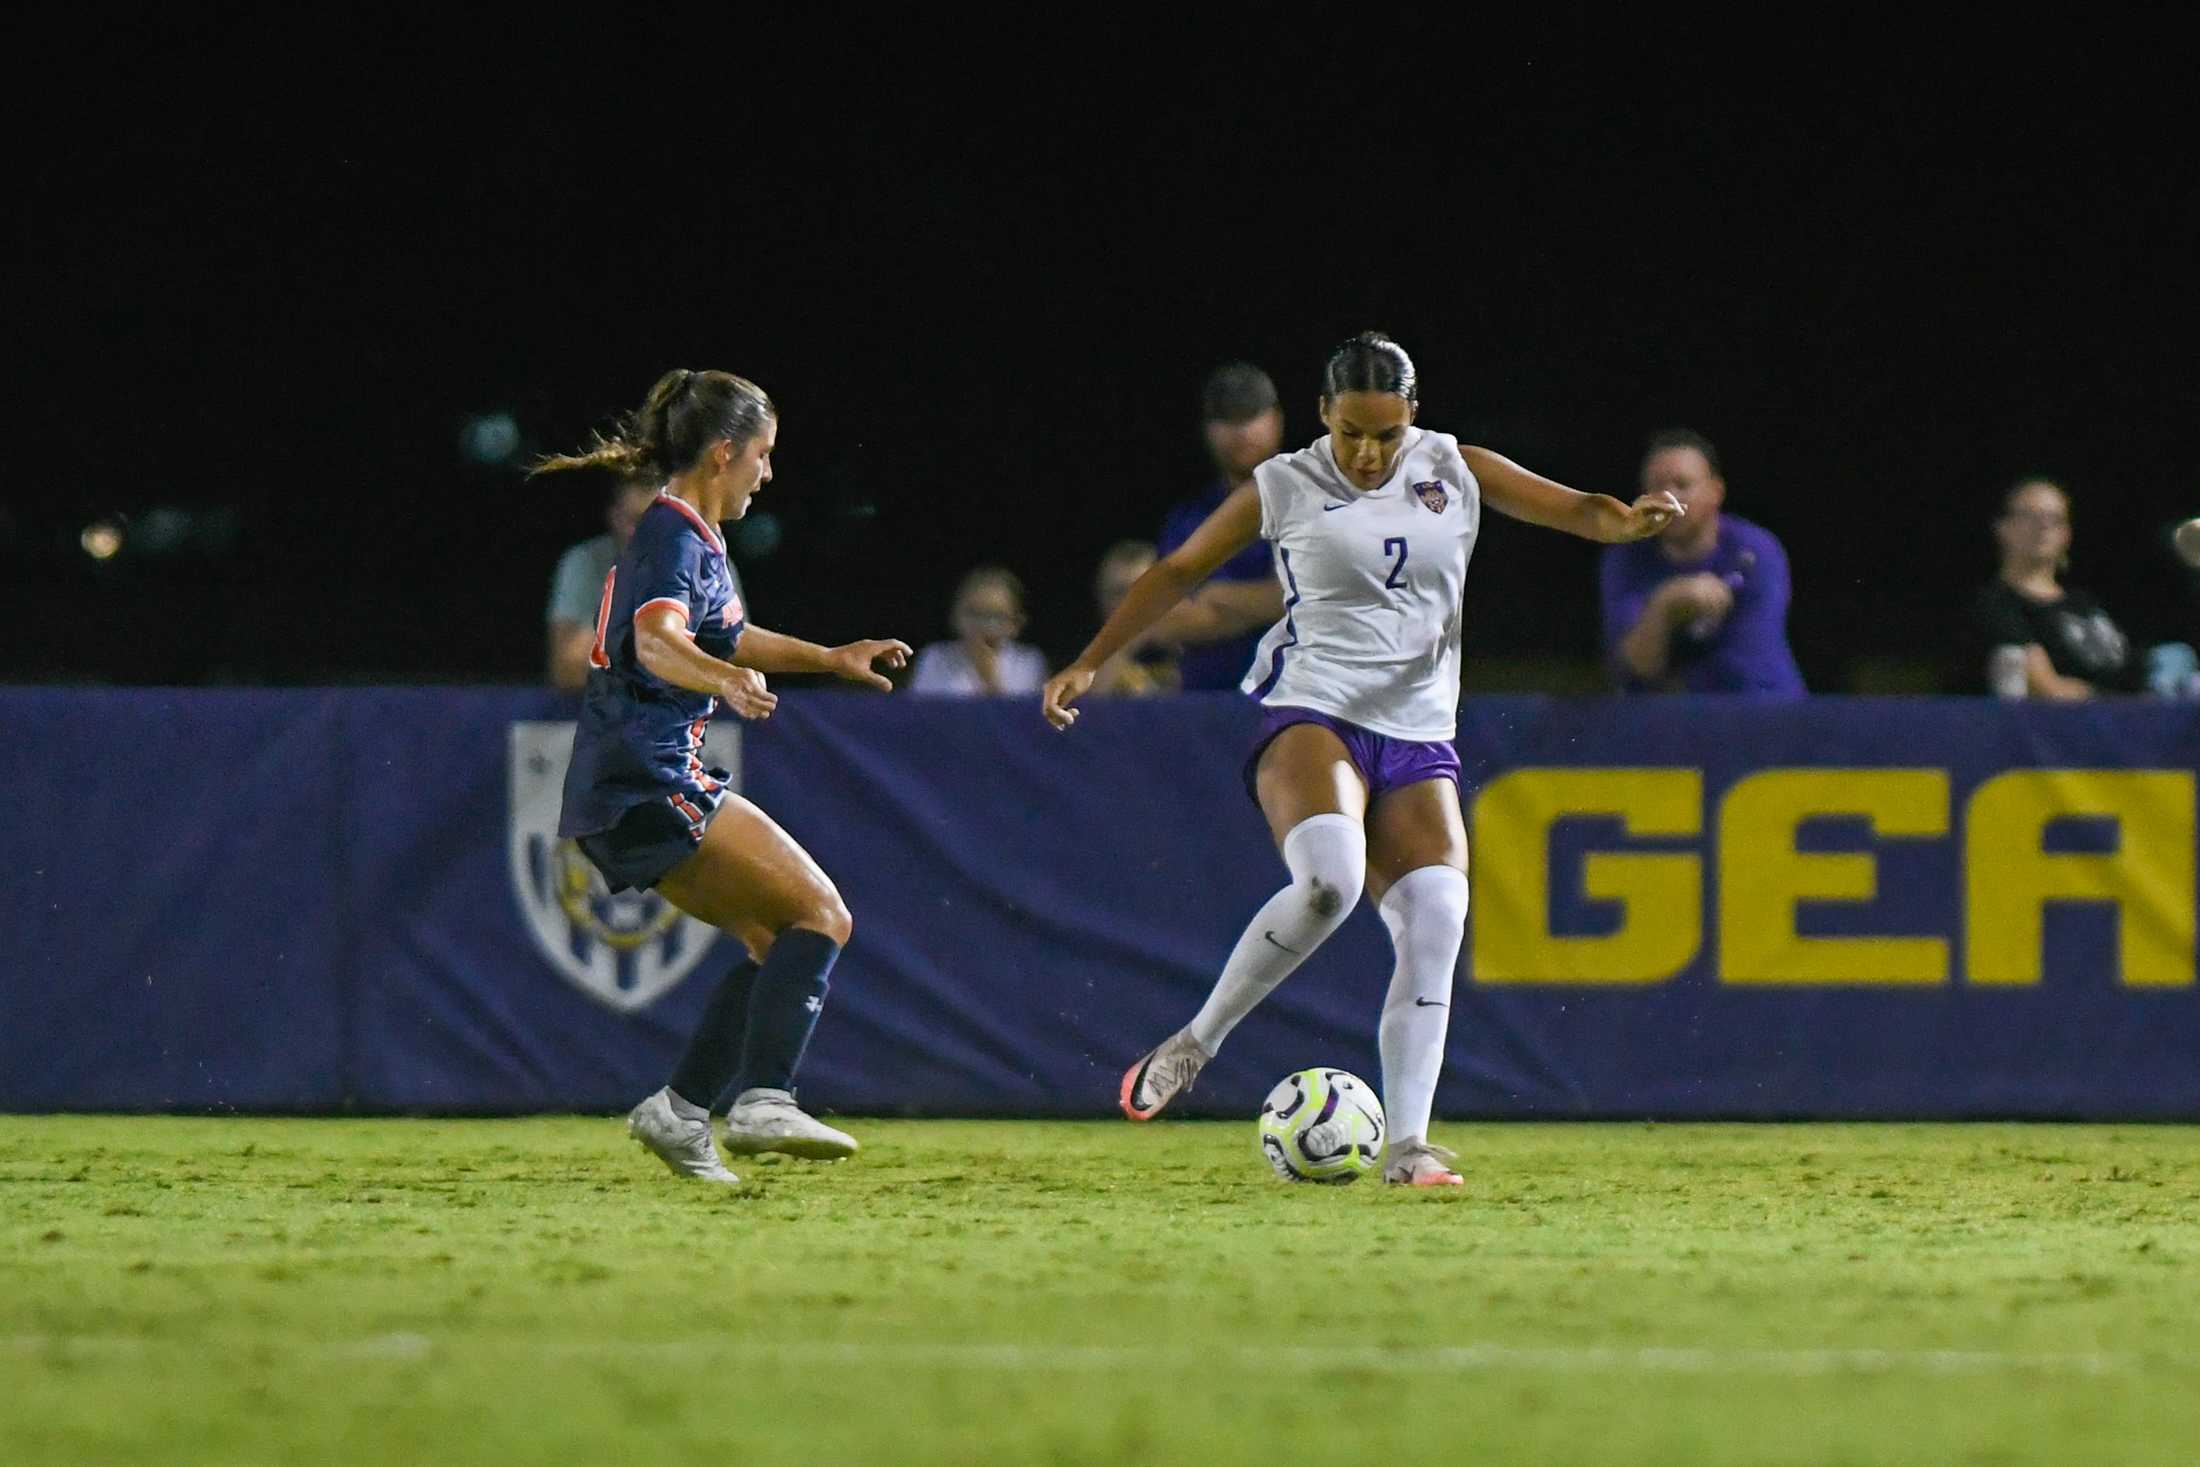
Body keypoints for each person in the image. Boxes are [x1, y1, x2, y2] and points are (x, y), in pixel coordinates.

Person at [1041, 333, 1683, 1187]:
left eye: (1384, 434)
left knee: (1440, 915)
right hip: (1313, 707)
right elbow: (1180, 569)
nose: (1367, 453)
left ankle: (1409, 1146)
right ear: (1321, 417)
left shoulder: (1454, 466)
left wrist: (1630, 521)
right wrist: (1093, 657)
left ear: (1411, 416)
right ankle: (1197, 1044)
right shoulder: (1287, 481)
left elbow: (1578, 509)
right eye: (1350, 433)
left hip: (1418, 732)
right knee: (1330, 882)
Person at [531, 369, 912, 1184]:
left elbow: (731, 635)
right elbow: (661, 640)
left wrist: (828, 657)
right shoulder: (671, 535)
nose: (767, 475)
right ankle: (765, 1097)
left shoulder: (694, 537)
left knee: (776, 940)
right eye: (763, 456)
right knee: (823, 914)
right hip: (648, 775)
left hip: (621, 787)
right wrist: (721, 680)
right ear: (725, 451)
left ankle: (679, 1110)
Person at [1598, 429, 1806, 695]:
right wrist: (1665, 605)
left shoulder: (1755, 551)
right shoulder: (1626, 558)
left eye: (1682, 485)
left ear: (1715, 492)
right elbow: (1635, 667)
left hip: (1759, 715)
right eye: (1656, 487)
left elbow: (1749, 664)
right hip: (1665, 725)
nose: (1669, 499)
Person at [1150, 364, 1289, 689]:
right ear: (1207, 430)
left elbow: (1322, 598)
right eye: (1226, 419)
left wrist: (1217, 595)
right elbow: (1165, 623)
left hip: (1300, 706)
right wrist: (1269, 601)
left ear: (1276, 419)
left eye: (1250, 415)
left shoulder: (1317, 503)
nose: (1240, 431)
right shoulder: (1189, 518)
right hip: (1207, 710)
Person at [546, 474, 749, 692]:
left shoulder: (714, 563)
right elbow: (567, 669)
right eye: (636, 520)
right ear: (614, 517)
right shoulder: (585, 562)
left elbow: (739, 666)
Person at [1964, 477, 2145, 697]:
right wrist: (2130, 705)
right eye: (2029, 516)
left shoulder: (2085, 602)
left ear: (2066, 534)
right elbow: (2045, 688)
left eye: (2055, 518)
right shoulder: (1995, 605)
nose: (2044, 526)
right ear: (2003, 527)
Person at [908, 565, 1049, 696]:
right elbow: (921, 713)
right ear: (955, 616)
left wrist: (988, 677)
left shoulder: (1028, 663)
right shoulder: (935, 658)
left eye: (996, 616)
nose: (984, 625)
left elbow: (1024, 717)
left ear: (1015, 623)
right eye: (974, 614)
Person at [1086, 540, 1178, 696]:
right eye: (1118, 593)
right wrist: (1125, 646)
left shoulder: (1192, 649)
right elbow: (1091, 707)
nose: (1130, 605)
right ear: (1101, 598)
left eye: (1143, 590)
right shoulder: (1087, 664)